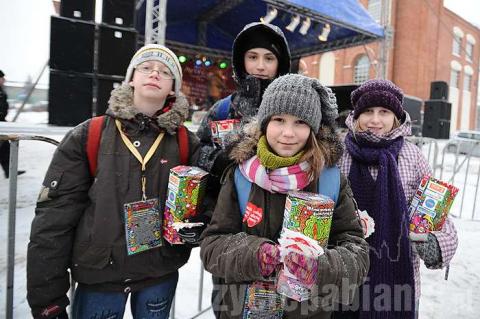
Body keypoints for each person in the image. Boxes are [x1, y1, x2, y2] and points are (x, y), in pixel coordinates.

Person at [27, 44, 200, 319]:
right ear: (132, 78)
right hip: (100, 278)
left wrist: (197, 223)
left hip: (159, 274)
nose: (154, 73)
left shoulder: (185, 141)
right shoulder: (90, 134)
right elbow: (54, 219)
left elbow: (205, 200)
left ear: (172, 89)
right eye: (146, 67)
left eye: (165, 71)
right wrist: (47, 297)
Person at [200, 74, 370, 318]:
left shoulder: (330, 180)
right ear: (265, 123)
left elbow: (357, 255)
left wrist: (318, 268)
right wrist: (255, 255)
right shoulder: (240, 176)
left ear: (313, 128)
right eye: (279, 120)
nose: (288, 133)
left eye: (300, 122)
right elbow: (212, 246)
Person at [336, 79, 458, 318]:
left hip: (398, 277)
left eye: (384, 112)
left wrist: (436, 242)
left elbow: (435, 211)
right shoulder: (339, 152)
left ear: (396, 117)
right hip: (344, 274)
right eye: (368, 112)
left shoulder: (413, 156)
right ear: (356, 115)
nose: (375, 120)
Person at [0, 69, 25, 178]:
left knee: (5, 149)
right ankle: (9, 171)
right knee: (4, 149)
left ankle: (9, 171)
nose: (4, 80)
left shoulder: (1, 90)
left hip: (2, 123)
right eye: (2, 78)